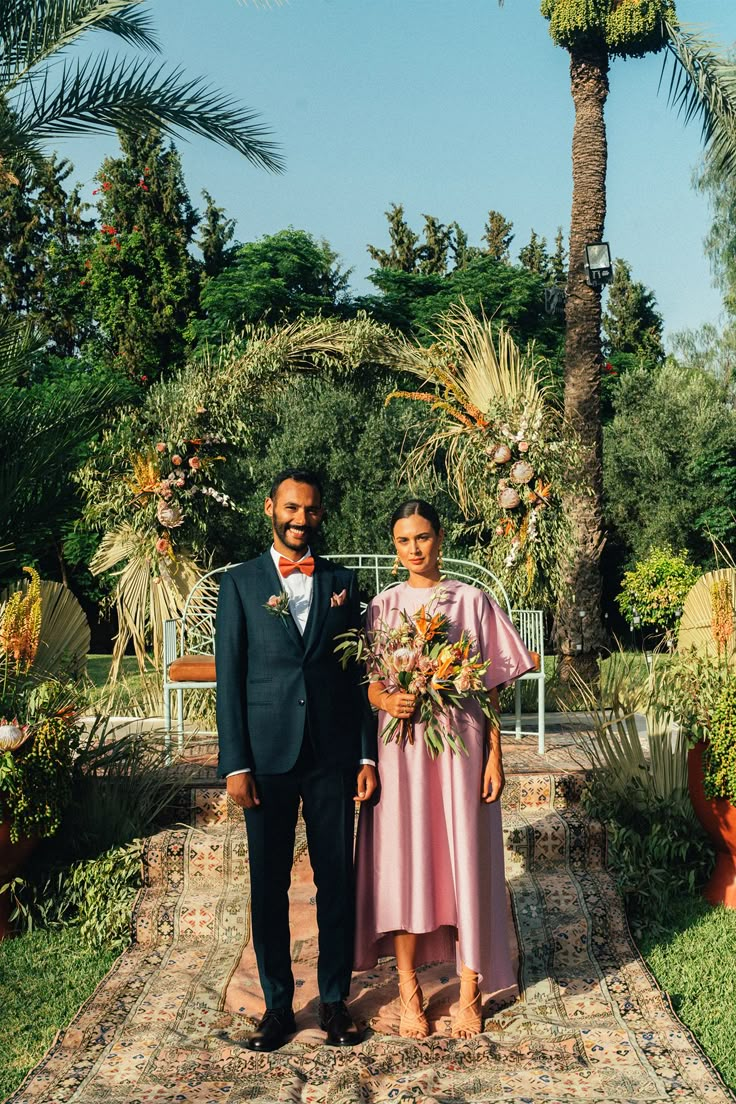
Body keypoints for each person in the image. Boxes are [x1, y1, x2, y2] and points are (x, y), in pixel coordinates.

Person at [353, 499, 534, 1039]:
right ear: (394, 547)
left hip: (461, 749)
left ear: (440, 538)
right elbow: (368, 685)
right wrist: (388, 702)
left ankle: (471, 987)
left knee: (466, 863)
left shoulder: (471, 602)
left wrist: (495, 755)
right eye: (404, 540)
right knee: (405, 865)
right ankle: (409, 989)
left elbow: (492, 687)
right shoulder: (381, 609)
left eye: (424, 537)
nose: (415, 548)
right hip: (401, 751)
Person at [216, 469, 378, 1052]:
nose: (300, 520)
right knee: (269, 885)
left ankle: (334, 1003)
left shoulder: (343, 582)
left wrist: (366, 754)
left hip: (332, 756)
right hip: (265, 761)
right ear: (270, 508)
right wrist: (234, 763)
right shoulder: (239, 585)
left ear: (320, 514)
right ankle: (279, 1008)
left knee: (336, 879)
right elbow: (229, 679)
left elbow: (360, 674)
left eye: (310, 510)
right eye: (290, 508)